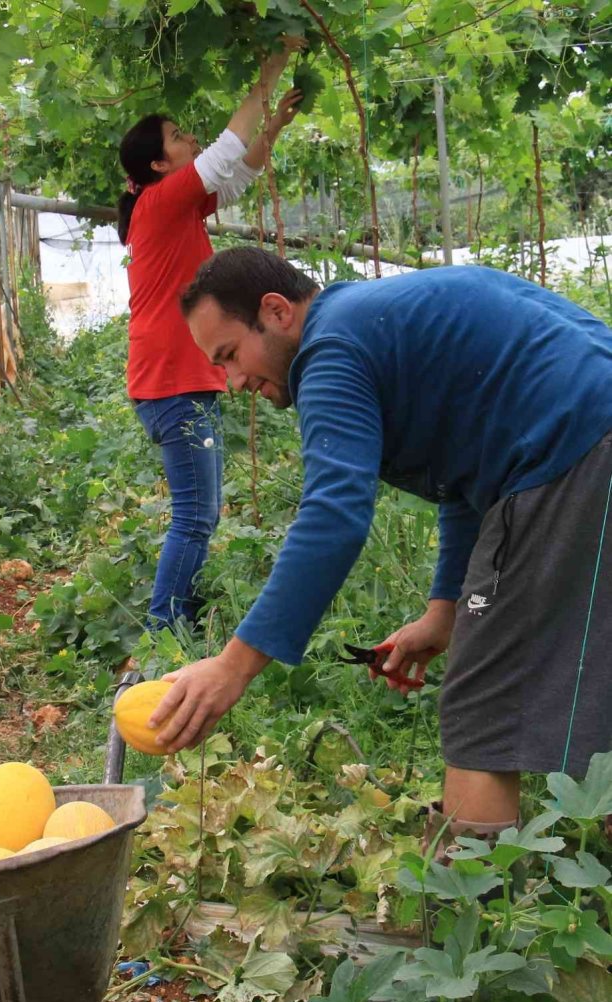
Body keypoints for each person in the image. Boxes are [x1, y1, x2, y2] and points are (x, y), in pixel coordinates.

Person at [147, 245, 612, 849]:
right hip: (587, 430)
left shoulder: (329, 349)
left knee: (481, 703)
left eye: (231, 354)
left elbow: (334, 514)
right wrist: (443, 614)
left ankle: (476, 909)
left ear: (277, 310)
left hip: (575, 444)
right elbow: (465, 476)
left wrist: (233, 667)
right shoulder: (369, 322)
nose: (232, 382)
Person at [118, 46, 304, 629]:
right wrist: (267, 73)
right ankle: (165, 633)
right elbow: (225, 153)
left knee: (201, 513)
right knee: (195, 516)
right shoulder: (158, 201)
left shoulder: (176, 211)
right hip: (171, 384)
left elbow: (239, 174)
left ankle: (178, 624)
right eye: (177, 137)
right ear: (157, 165)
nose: (189, 139)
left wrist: (272, 126)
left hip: (176, 383)